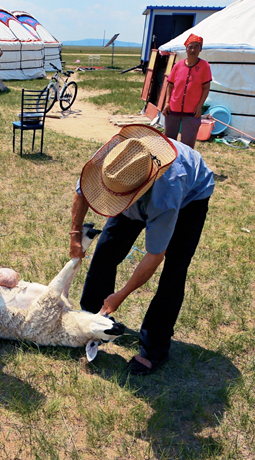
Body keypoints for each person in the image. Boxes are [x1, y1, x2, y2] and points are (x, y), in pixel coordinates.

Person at [69, 125, 214, 376]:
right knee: (105, 253)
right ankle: (93, 322)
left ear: (138, 192)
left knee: (174, 272)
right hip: (138, 189)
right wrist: (75, 236)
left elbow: (154, 256)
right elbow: (81, 193)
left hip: (191, 198)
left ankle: (154, 349)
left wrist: (120, 295)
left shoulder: (166, 193)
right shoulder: (115, 160)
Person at [162, 34, 212, 148]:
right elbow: (170, 85)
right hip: (173, 108)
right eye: (190, 47)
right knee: (169, 141)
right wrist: (167, 103)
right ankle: (170, 164)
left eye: (196, 47)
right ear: (186, 49)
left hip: (192, 111)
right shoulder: (178, 65)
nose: (193, 50)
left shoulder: (205, 66)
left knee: (188, 143)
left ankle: (186, 164)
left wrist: (200, 106)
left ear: (200, 49)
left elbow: (206, 88)